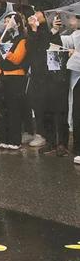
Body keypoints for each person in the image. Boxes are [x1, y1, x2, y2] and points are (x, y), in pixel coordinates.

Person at [27, 12, 69, 155]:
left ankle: (62, 143)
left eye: (38, 12)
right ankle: (50, 141)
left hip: (55, 77)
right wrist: (32, 29)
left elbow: (55, 47)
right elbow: (32, 49)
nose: (35, 14)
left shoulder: (56, 27)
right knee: (46, 111)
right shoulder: (35, 31)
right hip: (39, 78)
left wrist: (54, 31)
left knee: (60, 111)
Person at [0, 12, 28, 151]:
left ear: (17, 23)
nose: (6, 24)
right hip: (1, 76)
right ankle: (4, 138)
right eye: (5, 21)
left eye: (9, 21)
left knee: (13, 109)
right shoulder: (4, 36)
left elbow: (17, 59)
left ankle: (15, 140)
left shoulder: (22, 39)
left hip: (15, 77)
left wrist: (3, 47)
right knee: (2, 108)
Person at [52, 13, 80, 165]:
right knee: (76, 112)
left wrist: (75, 55)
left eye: (72, 18)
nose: (69, 21)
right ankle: (77, 147)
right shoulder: (75, 34)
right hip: (76, 79)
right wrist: (55, 30)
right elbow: (60, 43)